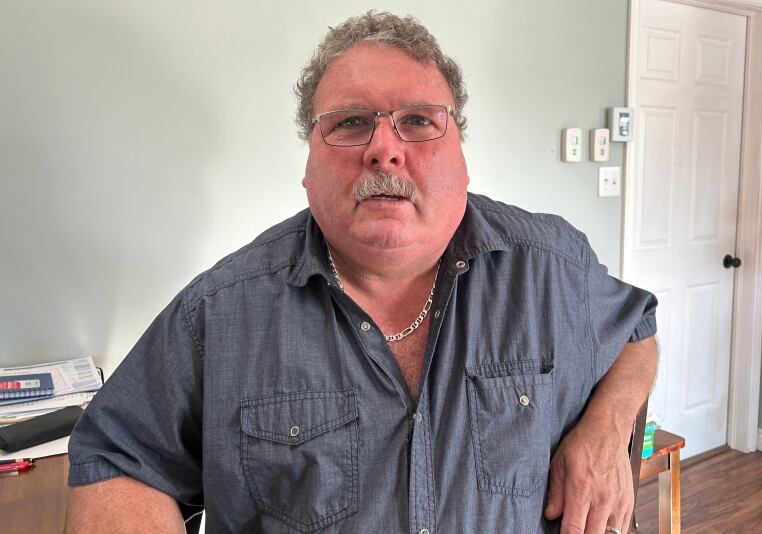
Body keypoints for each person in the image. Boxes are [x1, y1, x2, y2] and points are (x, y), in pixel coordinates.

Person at [65, 11, 658, 534]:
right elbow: (115, 457)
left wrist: (607, 428)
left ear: (462, 158)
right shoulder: (218, 314)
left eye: (419, 121)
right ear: (307, 166)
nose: (384, 148)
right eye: (349, 123)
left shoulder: (553, 266)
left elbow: (639, 335)